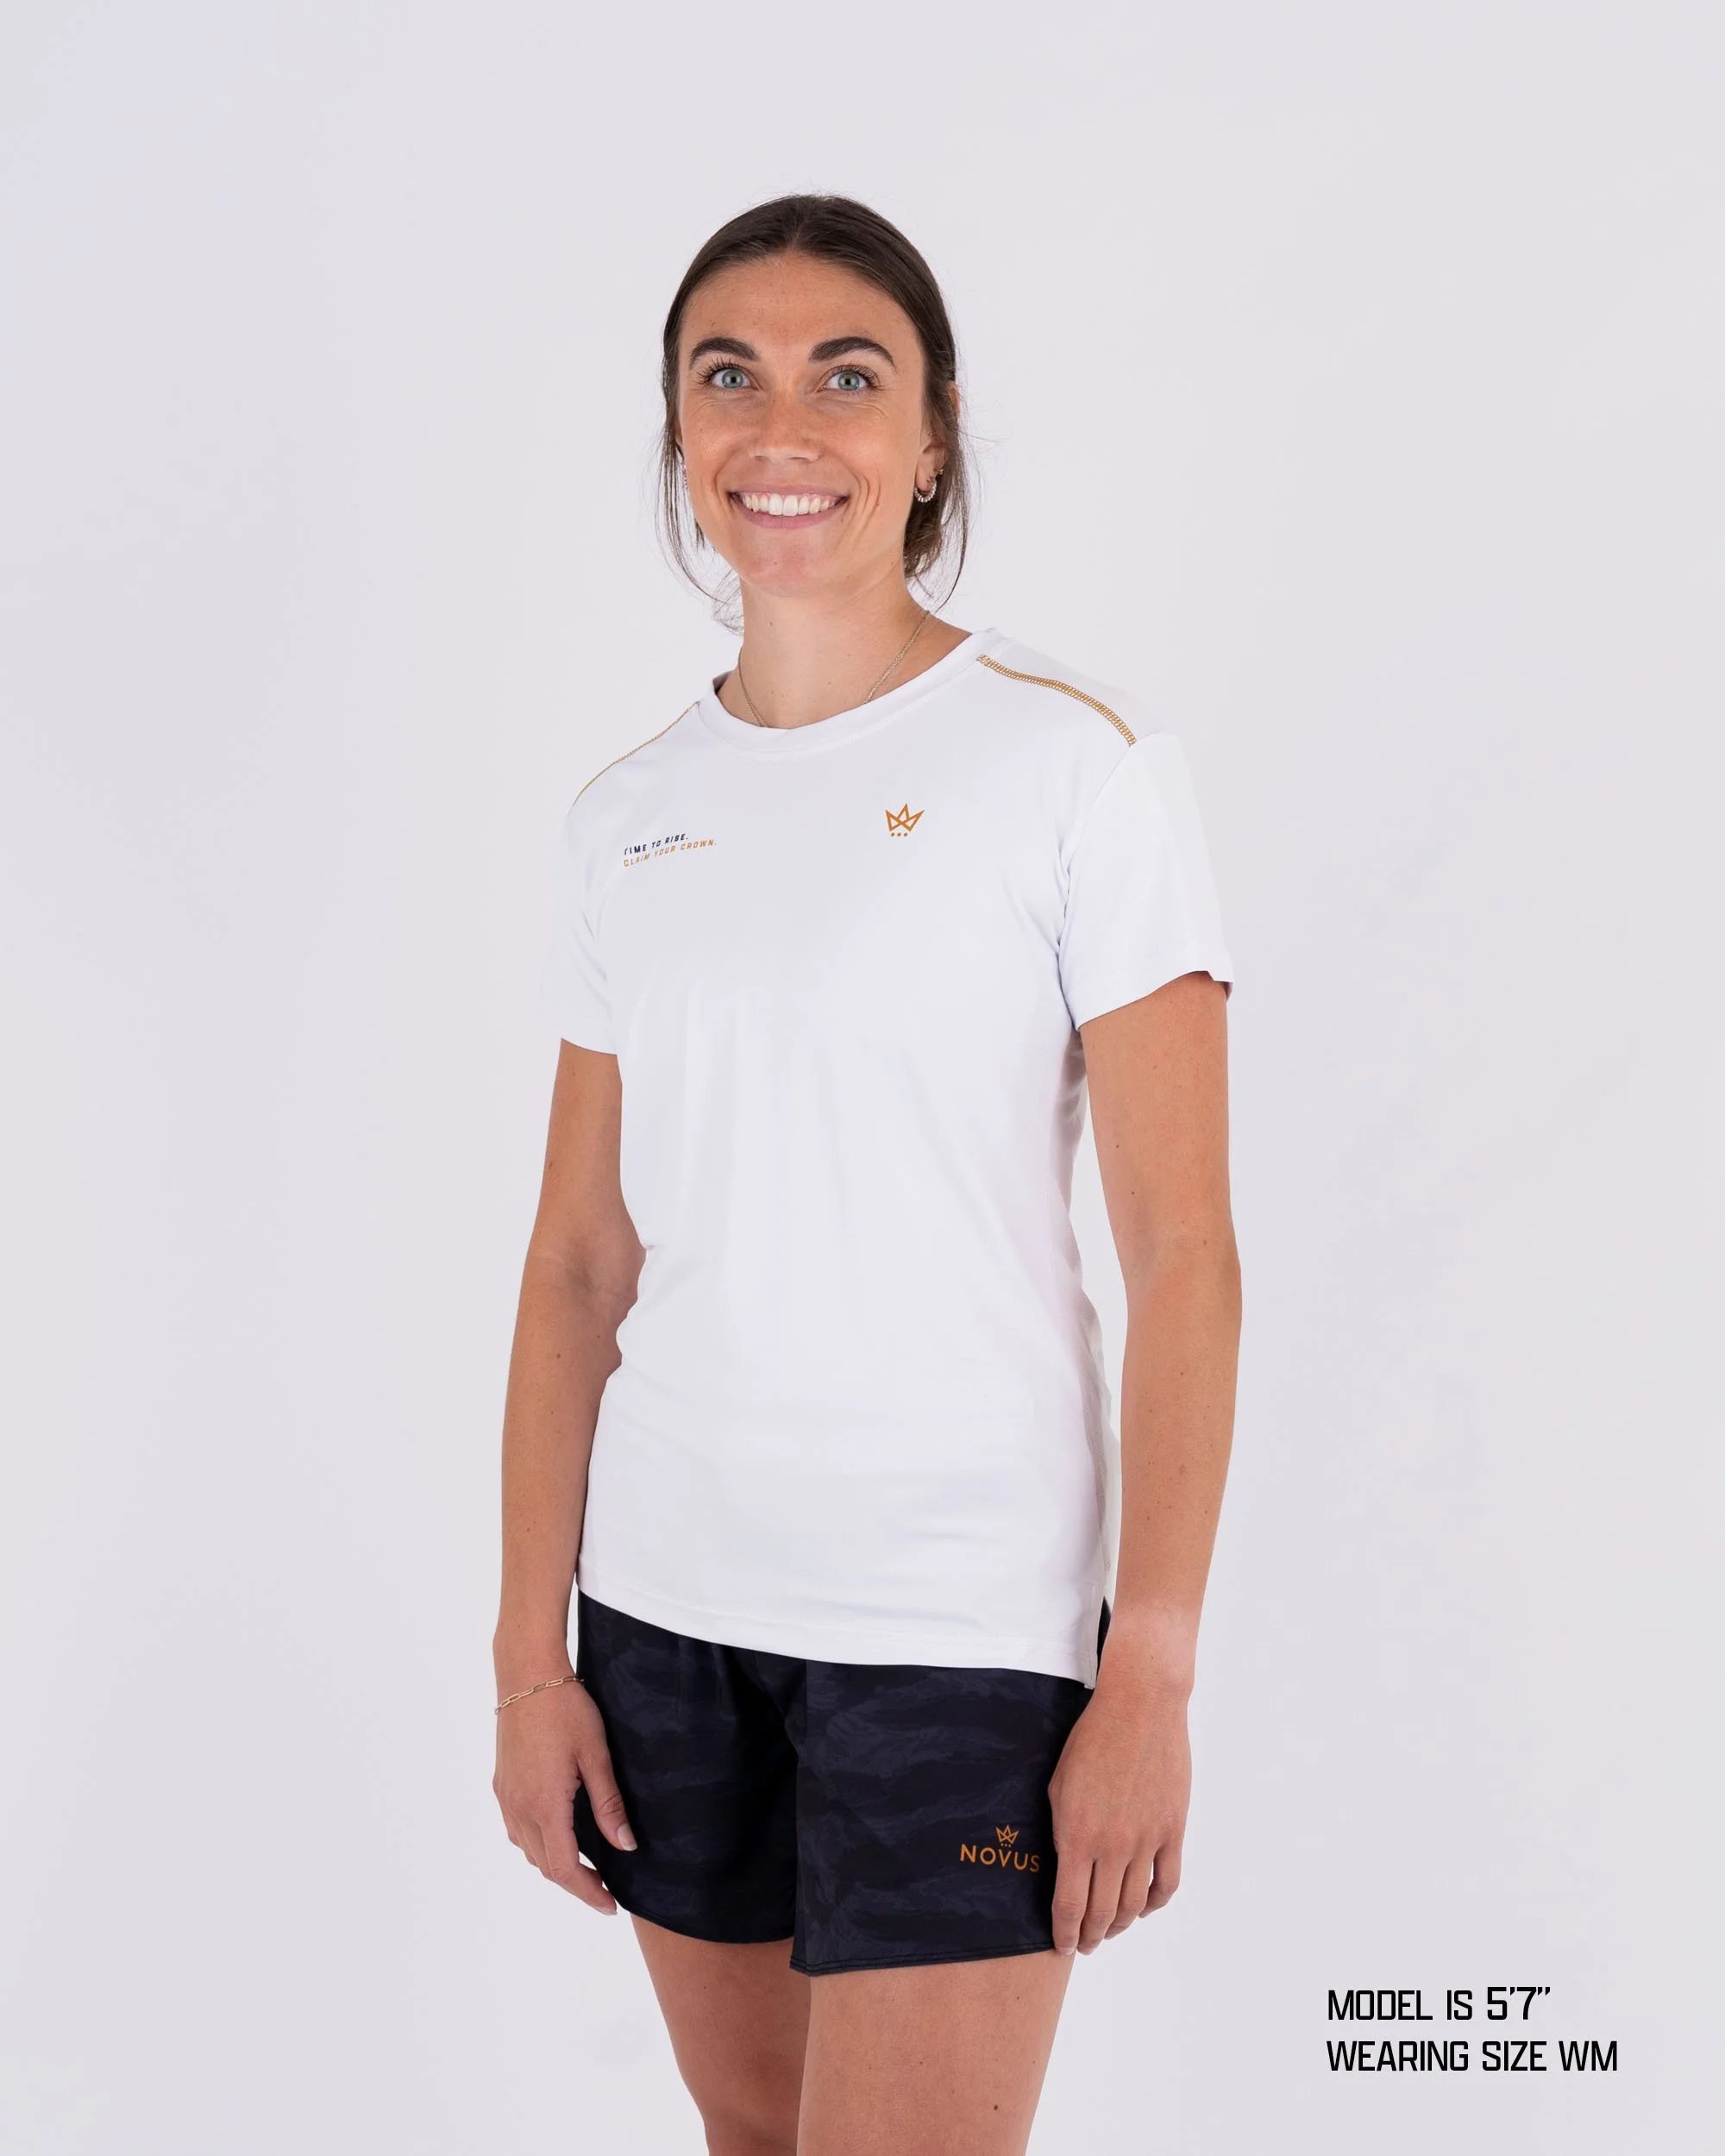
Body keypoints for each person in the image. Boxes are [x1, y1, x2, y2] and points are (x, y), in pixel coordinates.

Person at [492, 194, 1241, 2156]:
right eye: (725, 375)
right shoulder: (627, 816)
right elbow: (577, 1264)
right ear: (678, 432)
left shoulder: (1076, 764)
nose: (781, 426)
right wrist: (527, 1658)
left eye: (847, 375)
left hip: (959, 1622)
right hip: (664, 1612)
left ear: (931, 435)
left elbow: (1184, 1251)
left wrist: (1149, 1667)